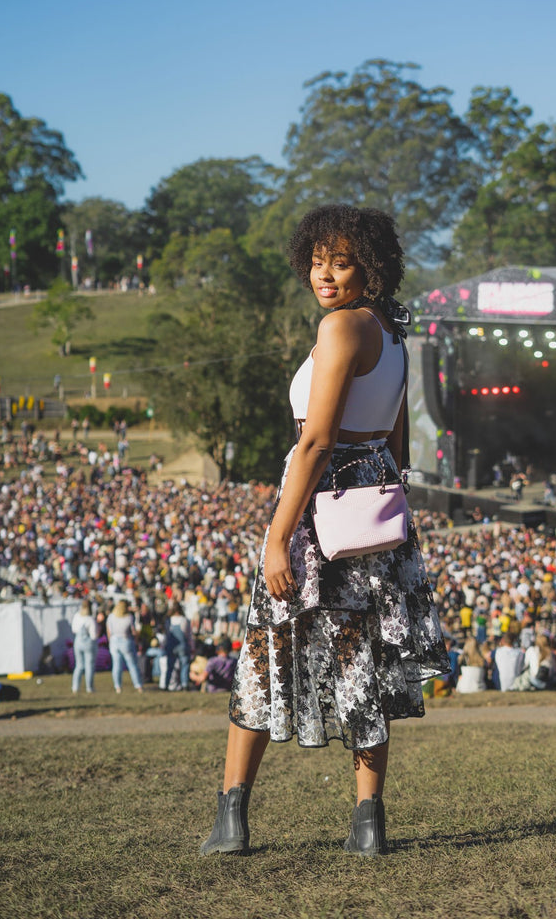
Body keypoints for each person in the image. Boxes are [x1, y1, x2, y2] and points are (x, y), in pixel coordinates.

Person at [200, 205, 450, 858]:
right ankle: (368, 823)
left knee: (263, 655)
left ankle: (233, 819)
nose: (326, 275)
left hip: (320, 510)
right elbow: (395, 437)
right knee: (362, 666)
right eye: (317, 261)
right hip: (375, 507)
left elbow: (314, 442)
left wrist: (277, 537)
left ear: (369, 265)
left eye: (341, 262)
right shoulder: (393, 332)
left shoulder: (341, 329)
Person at [106, 600, 143, 693]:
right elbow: (133, 631)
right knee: (132, 665)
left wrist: (111, 641)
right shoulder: (129, 617)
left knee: (116, 665)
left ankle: (117, 686)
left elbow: (109, 631)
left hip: (114, 641)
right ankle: (138, 685)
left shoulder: (111, 617)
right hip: (126, 640)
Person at [71, 600, 98, 693]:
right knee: (89, 666)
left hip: (78, 643)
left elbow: (74, 629)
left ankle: (75, 687)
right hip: (88, 643)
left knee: (79, 665)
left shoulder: (77, 616)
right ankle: (89, 687)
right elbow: (94, 635)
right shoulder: (90, 619)